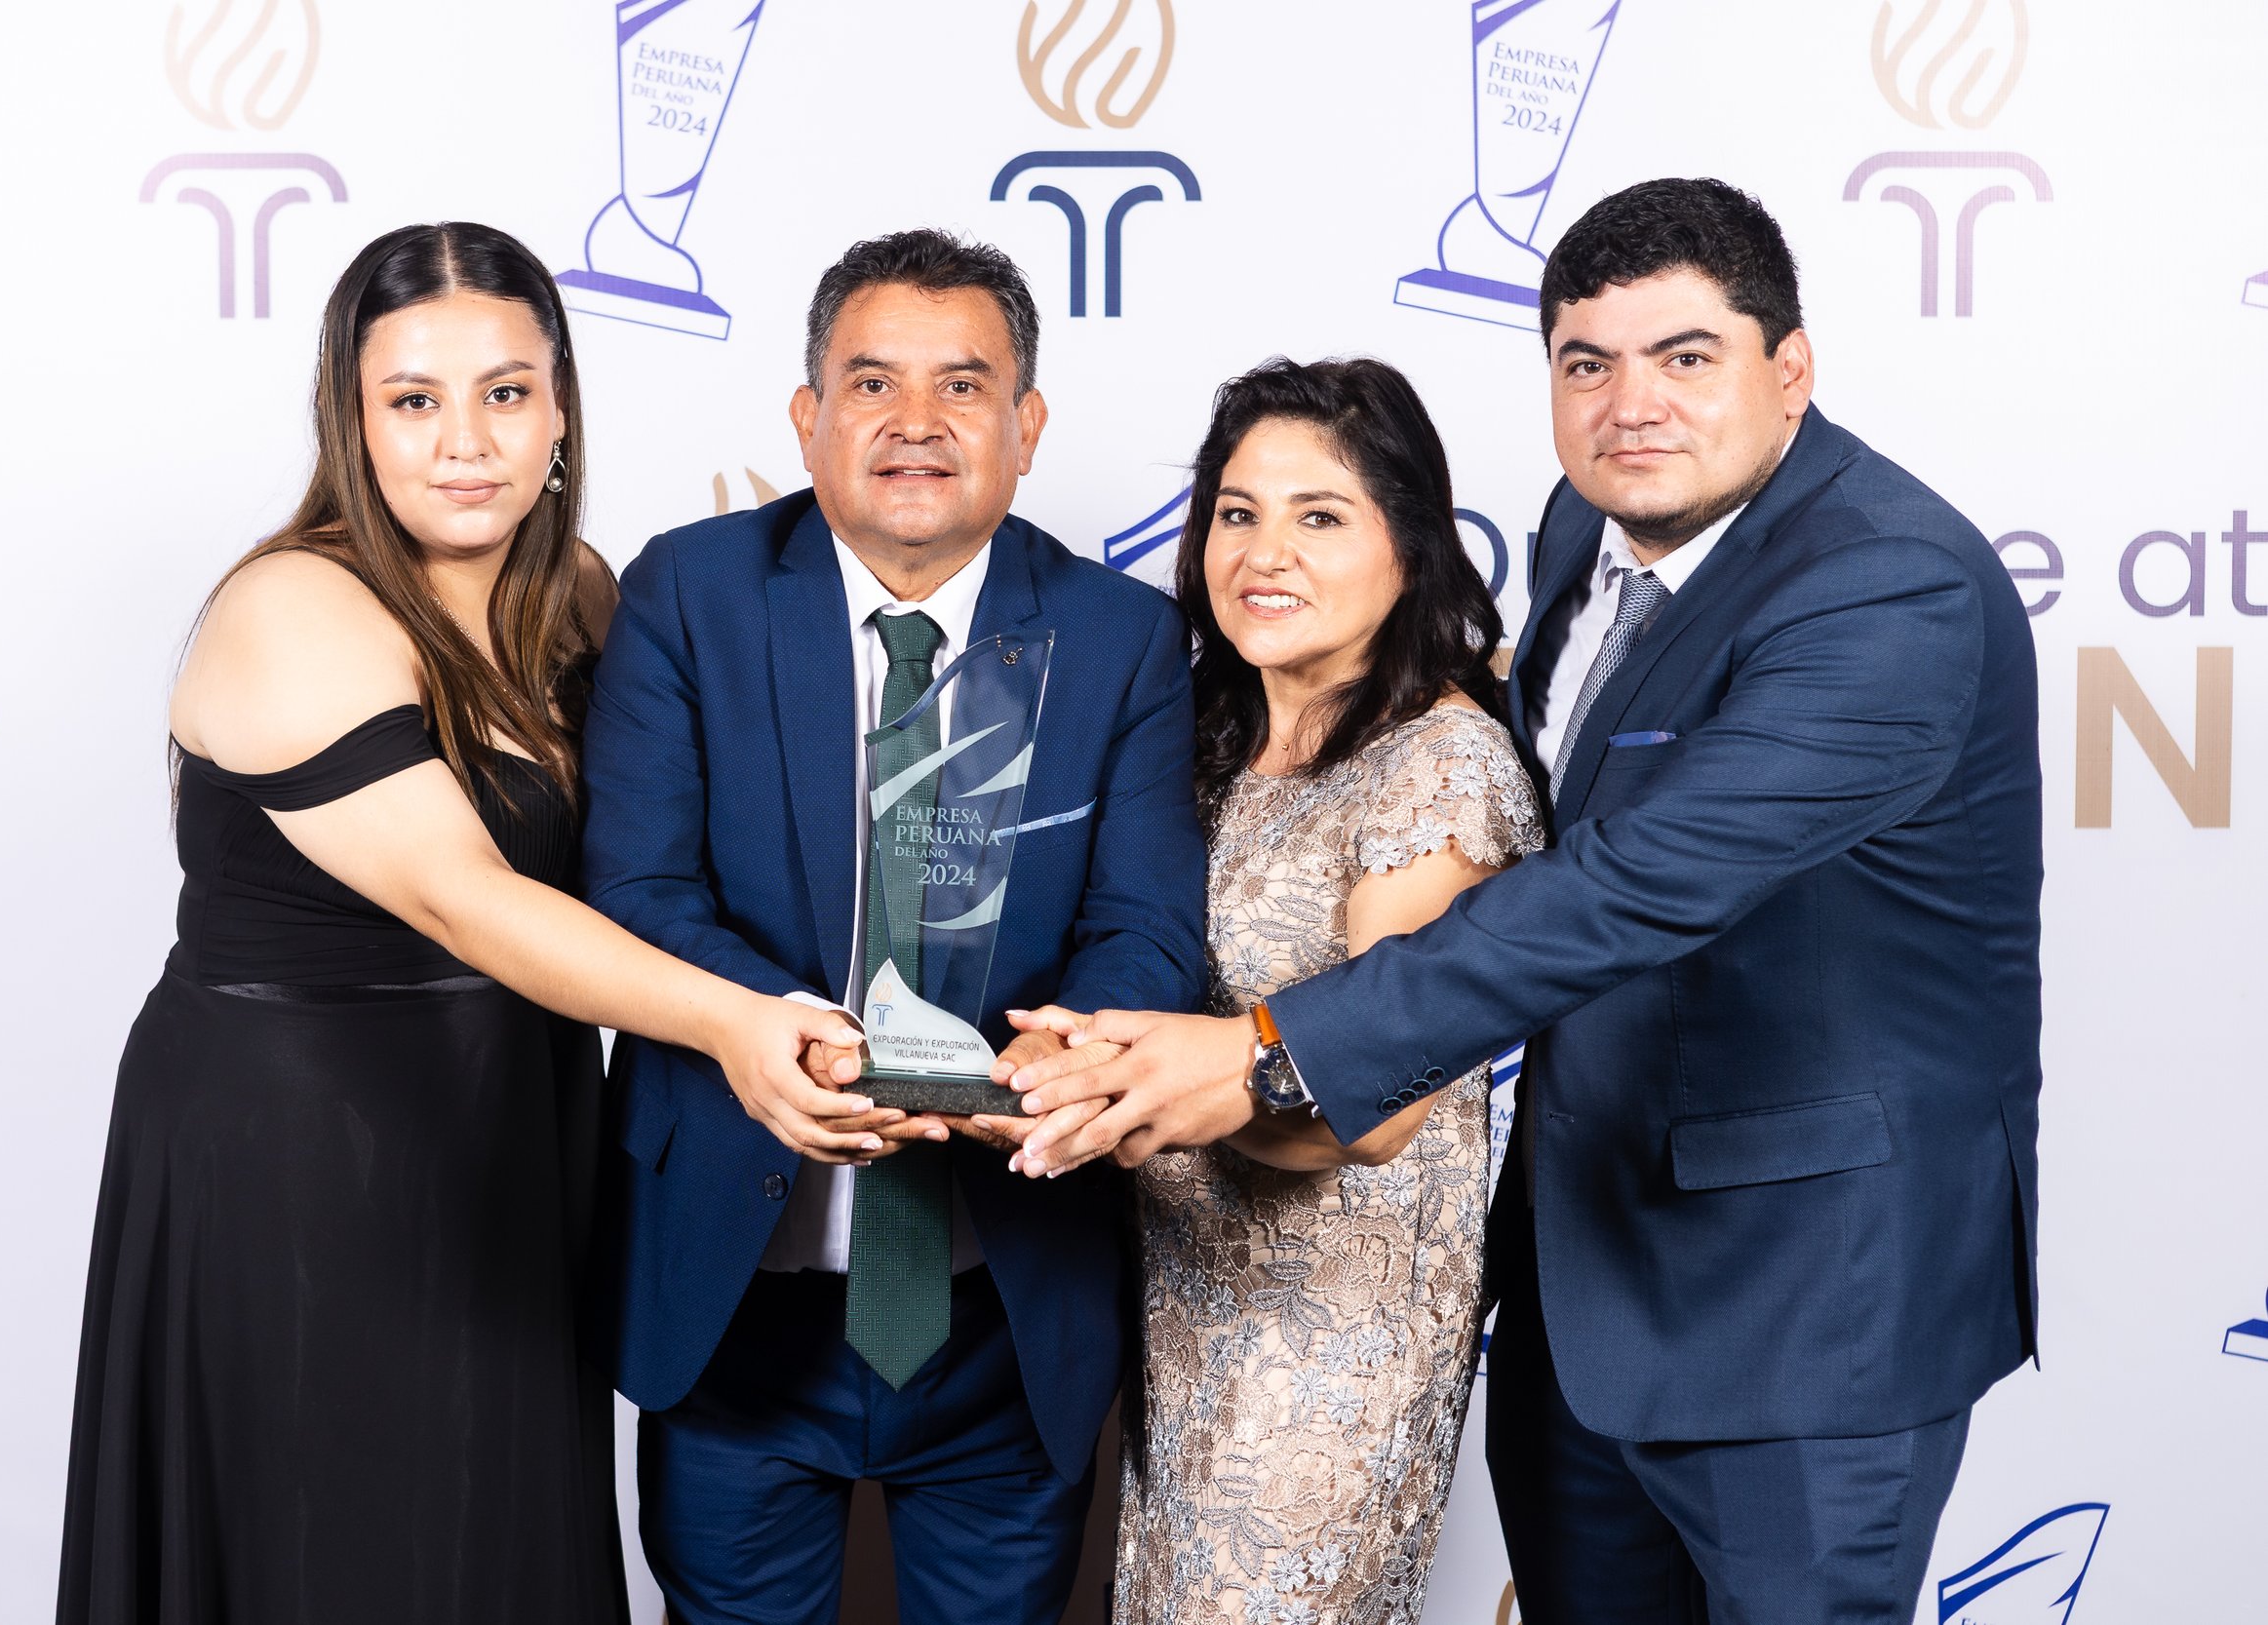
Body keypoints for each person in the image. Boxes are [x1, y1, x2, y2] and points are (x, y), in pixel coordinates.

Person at [1009, 178, 2042, 1624]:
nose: (1632, 407)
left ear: (1791, 370)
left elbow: (1632, 886)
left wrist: (1265, 1056)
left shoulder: (1888, 586)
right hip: (1580, 1277)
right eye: (1587, 363)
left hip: (1807, 1306)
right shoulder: (1584, 529)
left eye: (1687, 357)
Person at [57, 222, 861, 1625]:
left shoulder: (580, 597)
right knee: (334, 1545)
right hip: (298, 1158)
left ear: (560, 411)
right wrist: (742, 1024)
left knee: (489, 1538)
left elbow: (668, 853)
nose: (466, 442)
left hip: (511, 1141)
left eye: (505, 392)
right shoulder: (291, 605)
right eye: (414, 400)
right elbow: (466, 896)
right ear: (353, 422)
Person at [580, 228, 1204, 1625]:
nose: (915, 422)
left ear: (1027, 428)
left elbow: (1146, 928)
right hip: (737, 1289)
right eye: (872, 384)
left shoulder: (1119, 638)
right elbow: (639, 891)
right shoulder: (689, 595)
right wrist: (810, 1042)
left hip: (1004, 1295)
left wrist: (1051, 1059)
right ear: (808, 418)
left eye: (962, 386)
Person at [1087, 358, 1542, 1624]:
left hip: (1331, 1342)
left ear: (1412, 547)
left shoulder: (1438, 762)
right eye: (1237, 512)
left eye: (1320, 516)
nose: (1264, 553)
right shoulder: (1202, 735)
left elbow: (1378, 1106)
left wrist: (1128, 1101)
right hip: (1178, 1302)